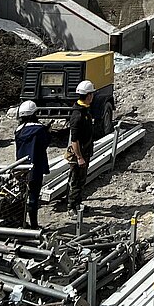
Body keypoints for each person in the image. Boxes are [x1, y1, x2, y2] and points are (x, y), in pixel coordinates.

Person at [14, 100, 50, 229]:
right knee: (33, 197)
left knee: (22, 196)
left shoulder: (18, 131)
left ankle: (21, 222)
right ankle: (34, 226)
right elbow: (45, 144)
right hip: (35, 168)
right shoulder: (39, 130)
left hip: (20, 168)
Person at [67, 80, 96, 213]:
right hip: (80, 153)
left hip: (85, 150)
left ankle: (78, 204)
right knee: (76, 181)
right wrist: (79, 157)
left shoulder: (84, 110)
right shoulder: (78, 115)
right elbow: (74, 140)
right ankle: (72, 207)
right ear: (88, 95)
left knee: (81, 180)